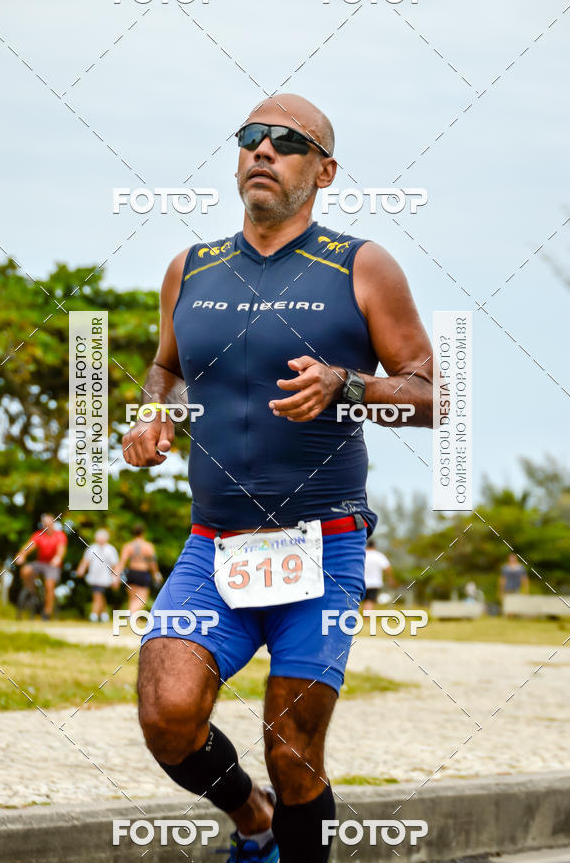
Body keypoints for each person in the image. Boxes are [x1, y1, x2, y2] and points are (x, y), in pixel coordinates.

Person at [122, 94, 433, 863]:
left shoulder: (360, 265)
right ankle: (251, 818)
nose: (264, 149)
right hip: (213, 548)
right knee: (166, 712)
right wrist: (150, 411)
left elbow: (431, 395)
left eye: (288, 141)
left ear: (323, 171)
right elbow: (165, 367)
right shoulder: (189, 269)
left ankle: (282, 822)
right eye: (251, 137)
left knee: (292, 747)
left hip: (322, 547)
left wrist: (345, 384)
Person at [16, 513, 67, 620]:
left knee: (49, 585)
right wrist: (21, 555)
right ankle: (32, 592)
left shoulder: (60, 535)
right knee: (25, 570)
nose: (46, 525)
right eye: (44, 523)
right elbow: (28, 546)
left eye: (48, 523)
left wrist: (58, 558)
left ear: (53, 523)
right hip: (40, 563)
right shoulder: (38, 535)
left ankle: (47, 612)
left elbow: (61, 550)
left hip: (53, 565)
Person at [113, 523, 162, 614]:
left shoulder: (128, 546)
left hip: (131, 573)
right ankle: (131, 613)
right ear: (143, 533)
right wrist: (156, 574)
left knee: (133, 598)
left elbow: (122, 562)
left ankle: (132, 616)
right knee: (142, 599)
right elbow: (152, 563)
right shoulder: (148, 546)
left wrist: (116, 576)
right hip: (142, 573)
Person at [75, 528, 118, 622]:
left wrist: (115, 578)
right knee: (99, 595)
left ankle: (94, 614)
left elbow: (115, 565)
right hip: (93, 577)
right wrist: (81, 570)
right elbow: (85, 561)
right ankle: (104, 614)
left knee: (98, 594)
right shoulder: (92, 548)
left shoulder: (110, 549)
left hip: (105, 577)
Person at [362, 538, 393, 610]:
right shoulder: (379, 556)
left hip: (361, 581)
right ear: (375, 546)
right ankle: (367, 618)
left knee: (358, 600)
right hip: (374, 582)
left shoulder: (362, 555)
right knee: (369, 601)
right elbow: (387, 568)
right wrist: (390, 578)